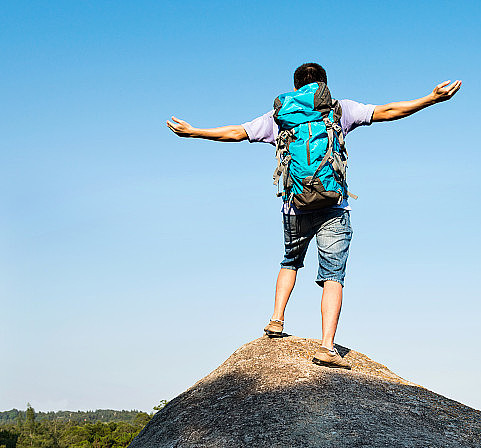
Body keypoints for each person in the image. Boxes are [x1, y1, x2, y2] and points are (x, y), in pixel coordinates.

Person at [167, 63, 461, 369]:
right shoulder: (338, 109)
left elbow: (236, 132)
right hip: (334, 206)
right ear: (323, 84)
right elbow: (387, 111)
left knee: (290, 261)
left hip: (295, 205)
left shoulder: (280, 116)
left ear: (295, 88)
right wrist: (430, 99)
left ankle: (276, 319)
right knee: (333, 275)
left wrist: (194, 132)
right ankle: (326, 347)